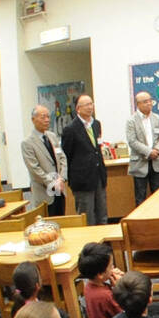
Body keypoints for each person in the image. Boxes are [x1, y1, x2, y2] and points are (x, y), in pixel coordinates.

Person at [60, 94, 108, 226]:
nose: (90, 107)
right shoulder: (70, 129)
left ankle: (103, 246)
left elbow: (97, 148)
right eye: (86, 105)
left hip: (98, 176)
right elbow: (66, 154)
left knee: (102, 215)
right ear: (78, 109)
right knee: (88, 218)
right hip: (82, 180)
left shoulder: (96, 124)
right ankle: (90, 245)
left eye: (91, 103)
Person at [21, 104, 67, 215]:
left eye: (48, 117)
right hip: (44, 191)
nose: (47, 120)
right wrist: (52, 183)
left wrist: (61, 179)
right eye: (43, 117)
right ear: (33, 119)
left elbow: (62, 158)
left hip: (59, 189)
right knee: (48, 226)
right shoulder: (27, 143)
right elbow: (34, 169)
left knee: (62, 221)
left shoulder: (52, 136)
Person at [77, 241, 122, 318]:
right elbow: (124, 312)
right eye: (111, 266)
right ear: (100, 275)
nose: (113, 268)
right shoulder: (105, 296)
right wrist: (119, 288)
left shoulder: (88, 287)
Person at [125, 90, 159, 204]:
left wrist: (157, 150)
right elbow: (132, 141)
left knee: (158, 196)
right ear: (138, 104)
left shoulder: (156, 118)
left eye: (150, 101)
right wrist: (149, 152)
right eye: (145, 102)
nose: (149, 103)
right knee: (140, 197)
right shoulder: (131, 121)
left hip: (156, 162)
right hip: (139, 164)